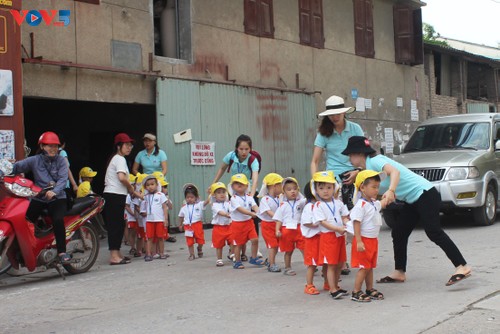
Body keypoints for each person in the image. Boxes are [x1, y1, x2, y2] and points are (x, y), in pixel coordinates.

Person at [341, 136, 472, 286]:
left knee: (434, 232)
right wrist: (357, 173)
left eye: (350, 155)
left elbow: (395, 172)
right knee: (399, 232)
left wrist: (391, 191)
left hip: (425, 194)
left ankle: (462, 266)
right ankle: (399, 272)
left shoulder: (376, 160)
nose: (349, 159)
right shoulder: (368, 167)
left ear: (358, 154)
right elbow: (370, 174)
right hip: (413, 199)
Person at [310, 95, 364, 275]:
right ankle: (342, 260)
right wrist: (317, 184)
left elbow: (366, 154)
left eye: (338, 113)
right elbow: (315, 161)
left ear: (344, 112)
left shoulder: (355, 128)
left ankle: (359, 256)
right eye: (331, 114)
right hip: (333, 182)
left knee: (356, 219)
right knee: (336, 221)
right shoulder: (323, 133)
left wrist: (357, 171)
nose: (335, 117)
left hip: (355, 178)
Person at [12, 131, 71, 263]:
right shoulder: (35, 160)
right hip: (40, 197)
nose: (53, 149)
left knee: (57, 219)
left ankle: (62, 252)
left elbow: (63, 179)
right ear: (42, 146)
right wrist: (5, 169)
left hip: (58, 197)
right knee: (26, 219)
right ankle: (27, 249)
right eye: (49, 146)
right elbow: (18, 167)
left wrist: (55, 191)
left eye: (55, 146)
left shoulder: (61, 160)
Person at [212, 134, 262, 260]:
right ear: (236, 148)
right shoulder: (231, 156)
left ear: (250, 149)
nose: (244, 152)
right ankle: (233, 247)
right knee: (233, 217)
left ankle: (255, 246)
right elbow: (222, 168)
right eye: (241, 149)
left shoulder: (253, 160)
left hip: (248, 189)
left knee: (252, 218)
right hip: (233, 189)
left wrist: (253, 192)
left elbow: (255, 176)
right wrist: (214, 183)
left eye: (247, 149)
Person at [347, 170, 388, 302]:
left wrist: (389, 195)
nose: (376, 190)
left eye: (378, 187)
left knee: (370, 267)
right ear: (362, 187)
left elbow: (381, 203)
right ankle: (356, 291)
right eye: (373, 187)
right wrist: (358, 241)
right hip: (363, 240)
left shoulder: (373, 203)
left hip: (372, 240)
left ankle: (369, 289)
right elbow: (356, 223)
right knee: (363, 268)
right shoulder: (360, 205)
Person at [103, 133, 142, 265]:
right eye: (126, 145)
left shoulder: (118, 158)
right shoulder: (119, 159)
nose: (129, 147)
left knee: (119, 225)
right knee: (115, 225)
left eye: (130, 145)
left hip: (117, 195)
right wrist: (131, 189)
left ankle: (117, 253)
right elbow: (122, 177)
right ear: (119, 146)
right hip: (114, 195)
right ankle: (114, 256)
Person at [312, 171, 350, 299]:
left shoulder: (338, 203)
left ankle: (336, 285)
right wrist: (337, 228)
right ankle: (332, 288)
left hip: (339, 236)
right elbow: (322, 222)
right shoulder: (318, 205)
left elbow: (344, 216)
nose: (325, 191)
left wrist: (348, 225)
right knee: (331, 264)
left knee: (340, 263)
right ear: (316, 190)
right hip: (328, 237)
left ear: (334, 188)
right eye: (321, 188)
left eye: (329, 187)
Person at [228, 174, 264, 269]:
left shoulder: (249, 197)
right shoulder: (233, 198)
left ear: (247, 186)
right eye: (236, 183)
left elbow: (254, 206)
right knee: (238, 244)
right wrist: (251, 214)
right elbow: (240, 209)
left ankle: (254, 257)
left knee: (255, 239)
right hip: (237, 225)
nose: (239, 185)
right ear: (232, 186)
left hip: (249, 223)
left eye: (242, 183)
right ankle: (237, 261)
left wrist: (259, 212)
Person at [273, 177, 306, 276]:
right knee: (288, 251)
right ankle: (287, 267)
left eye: (295, 189)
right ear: (284, 192)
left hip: (299, 228)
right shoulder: (282, 205)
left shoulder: (301, 202)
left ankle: (310, 264)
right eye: (289, 189)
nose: (293, 191)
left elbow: (308, 199)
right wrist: (277, 230)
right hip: (286, 230)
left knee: (304, 248)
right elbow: (279, 219)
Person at [301, 181, 327, 295]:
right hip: (312, 239)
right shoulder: (309, 207)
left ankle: (327, 282)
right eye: (321, 188)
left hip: (323, 237)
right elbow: (306, 222)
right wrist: (320, 224)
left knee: (326, 262)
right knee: (312, 263)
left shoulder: (322, 205)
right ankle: (309, 285)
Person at [257, 173, 284, 273]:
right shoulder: (265, 199)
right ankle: (272, 265)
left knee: (276, 245)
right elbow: (268, 212)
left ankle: (269, 260)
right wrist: (279, 218)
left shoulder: (278, 198)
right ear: (274, 186)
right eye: (281, 185)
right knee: (272, 245)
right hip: (268, 225)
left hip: (276, 224)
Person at [140, 175, 169, 262]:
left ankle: (162, 253)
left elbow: (164, 207)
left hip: (159, 220)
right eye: (148, 185)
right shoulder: (146, 196)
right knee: (149, 238)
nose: (150, 186)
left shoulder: (161, 195)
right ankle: (149, 254)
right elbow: (139, 196)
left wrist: (165, 219)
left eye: (152, 184)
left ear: (157, 185)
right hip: (149, 220)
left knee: (160, 237)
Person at [178, 184, 209, 261]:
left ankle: (199, 248)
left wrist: (210, 194)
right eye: (188, 197)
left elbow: (206, 202)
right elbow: (181, 216)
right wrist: (180, 224)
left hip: (197, 224)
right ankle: (191, 254)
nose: (189, 199)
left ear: (196, 197)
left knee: (200, 240)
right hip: (188, 226)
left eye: (192, 197)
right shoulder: (184, 207)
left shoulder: (199, 205)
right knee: (189, 241)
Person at [209, 182, 234, 267]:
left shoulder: (229, 203)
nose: (222, 194)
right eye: (218, 192)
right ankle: (219, 259)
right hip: (218, 227)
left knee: (232, 240)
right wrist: (227, 214)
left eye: (223, 192)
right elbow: (220, 212)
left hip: (229, 226)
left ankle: (232, 253)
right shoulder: (214, 205)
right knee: (219, 244)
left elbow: (232, 210)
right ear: (214, 195)